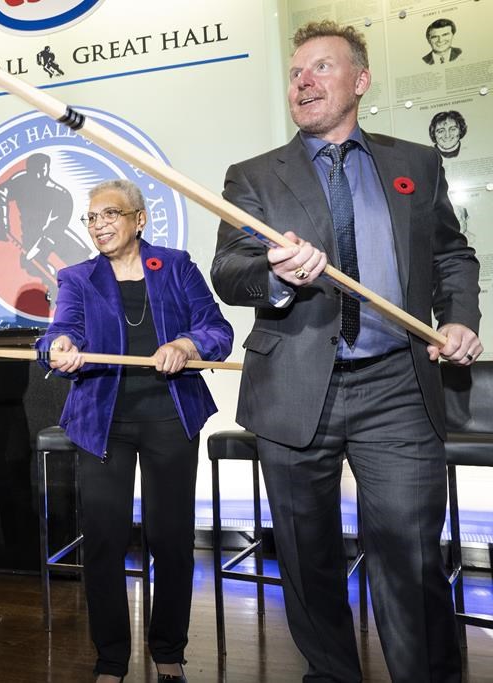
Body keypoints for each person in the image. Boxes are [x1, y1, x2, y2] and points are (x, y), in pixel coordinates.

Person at [210, 21, 482, 683]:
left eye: (321, 68)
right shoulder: (252, 177)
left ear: (360, 81)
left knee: (410, 552)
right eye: (296, 73)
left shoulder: (414, 163)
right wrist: (275, 272)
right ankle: (331, 673)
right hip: (296, 389)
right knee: (307, 557)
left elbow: (452, 255)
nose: (303, 81)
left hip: (396, 385)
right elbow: (227, 271)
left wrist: (461, 321)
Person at [38, 179, 232, 683]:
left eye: (110, 214)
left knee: (170, 540)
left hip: (171, 418)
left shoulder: (174, 265)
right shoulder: (77, 277)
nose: (99, 225)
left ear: (139, 219)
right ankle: (110, 660)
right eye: (91, 218)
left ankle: (168, 651)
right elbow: (62, 332)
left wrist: (187, 346)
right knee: (103, 541)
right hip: (103, 422)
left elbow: (219, 331)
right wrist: (58, 347)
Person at [0, 152, 92, 292]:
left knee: (82, 261)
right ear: (29, 169)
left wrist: (34, 252)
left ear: (47, 169)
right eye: (34, 171)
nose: (37, 176)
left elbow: (52, 231)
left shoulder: (61, 195)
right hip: (30, 235)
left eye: (41, 171)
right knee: (31, 264)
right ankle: (57, 290)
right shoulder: (21, 181)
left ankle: (88, 291)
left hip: (57, 236)